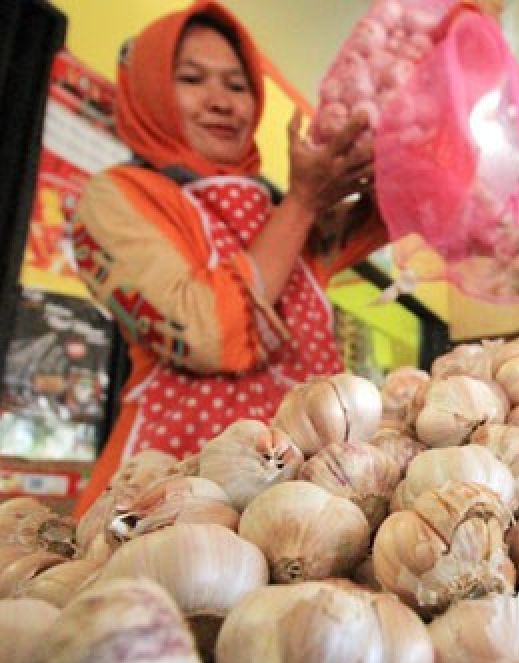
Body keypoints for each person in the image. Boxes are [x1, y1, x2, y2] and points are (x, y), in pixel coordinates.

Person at [71, 1, 384, 516]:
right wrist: (304, 203)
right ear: (150, 90)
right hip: (168, 492)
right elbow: (207, 336)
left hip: (304, 495)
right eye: (193, 80)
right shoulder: (117, 197)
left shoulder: (281, 208)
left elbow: (401, 206)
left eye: (238, 86)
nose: (222, 102)